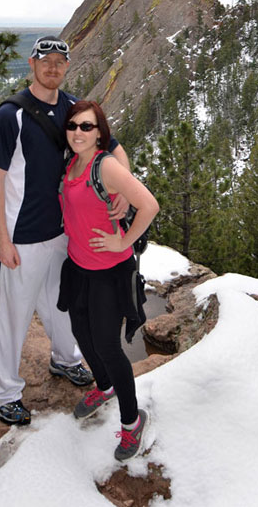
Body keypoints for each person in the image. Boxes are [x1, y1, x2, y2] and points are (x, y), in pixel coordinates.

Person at [0, 35, 130, 426]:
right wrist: (1, 239)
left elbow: (113, 148)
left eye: (59, 62)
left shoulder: (72, 109)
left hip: (63, 234)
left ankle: (65, 360)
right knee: (12, 317)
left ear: (67, 67)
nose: (52, 68)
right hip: (20, 236)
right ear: (31, 64)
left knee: (62, 306)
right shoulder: (10, 115)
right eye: (45, 60)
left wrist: (124, 188)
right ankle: (5, 393)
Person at [57, 100, 159, 461]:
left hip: (109, 272)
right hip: (79, 267)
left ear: (100, 132)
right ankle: (105, 386)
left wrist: (123, 240)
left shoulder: (106, 166)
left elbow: (149, 205)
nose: (78, 133)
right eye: (73, 127)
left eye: (87, 127)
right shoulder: (73, 163)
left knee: (107, 346)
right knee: (82, 334)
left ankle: (132, 423)